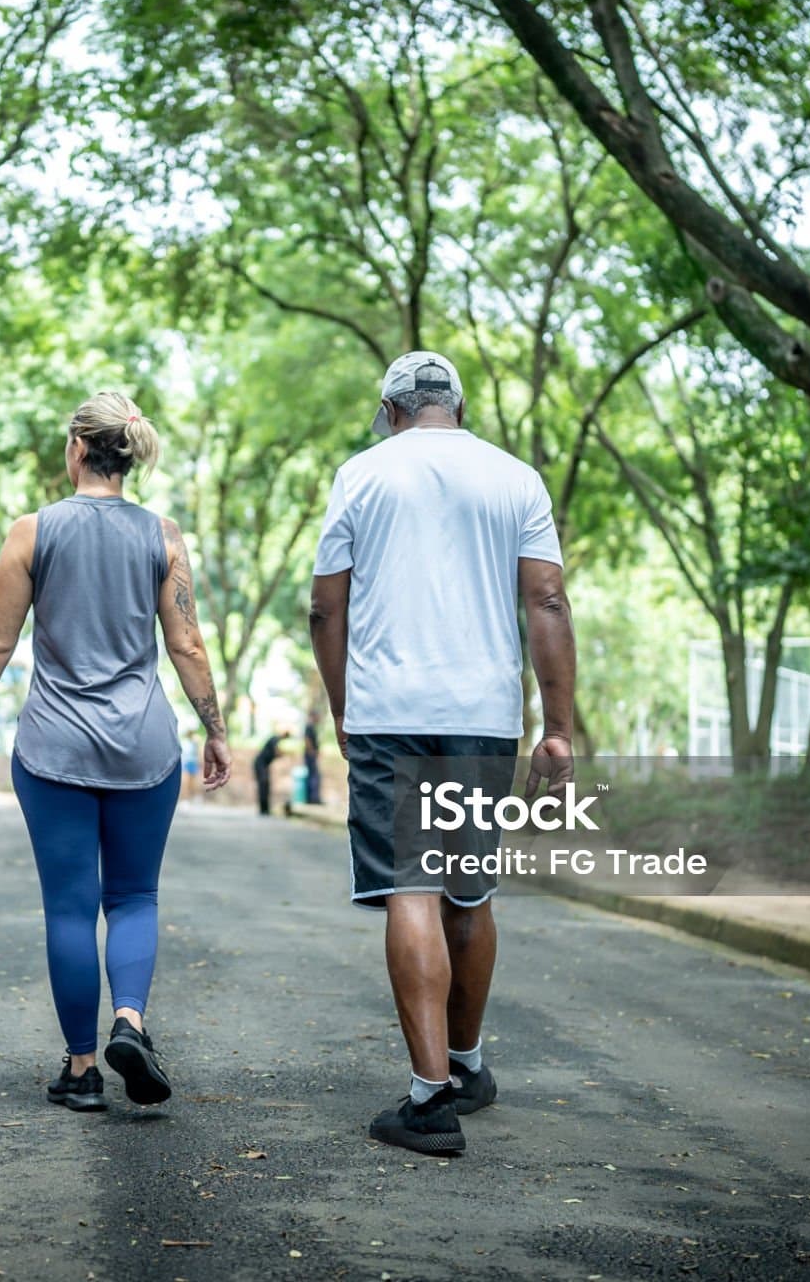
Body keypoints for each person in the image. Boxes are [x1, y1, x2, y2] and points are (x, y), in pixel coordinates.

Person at [308, 351, 575, 1157]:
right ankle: (467, 1067)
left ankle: (429, 1102)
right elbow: (548, 598)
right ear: (456, 406)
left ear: (391, 410)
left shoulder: (361, 474)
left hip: (393, 713)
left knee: (411, 888)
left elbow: (326, 607)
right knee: (469, 888)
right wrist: (556, 726)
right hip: (484, 716)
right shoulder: (516, 477)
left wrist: (344, 707)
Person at [0, 392, 231, 1112]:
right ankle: (130, 1020)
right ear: (127, 454)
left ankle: (80, 1070)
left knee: (70, 908)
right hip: (145, 746)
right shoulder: (162, 536)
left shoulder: (32, 532)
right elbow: (187, 643)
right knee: (134, 895)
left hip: (54, 747)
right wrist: (216, 730)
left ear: (77, 448)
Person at [252, 730, 288, 816]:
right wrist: (283, 754)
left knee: (266, 785)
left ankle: (265, 808)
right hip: (260, 764)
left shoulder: (275, 740)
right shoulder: (275, 739)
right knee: (263, 785)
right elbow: (276, 752)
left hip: (264, 765)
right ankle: (263, 809)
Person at [302, 719, 322, 805]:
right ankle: (313, 798)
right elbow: (307, 739)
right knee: (314, 776)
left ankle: (313, 798)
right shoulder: (309, 726)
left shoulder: (311, 727)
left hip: (311, 754)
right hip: (310, 755)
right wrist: (312, 751)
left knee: (313, 776)